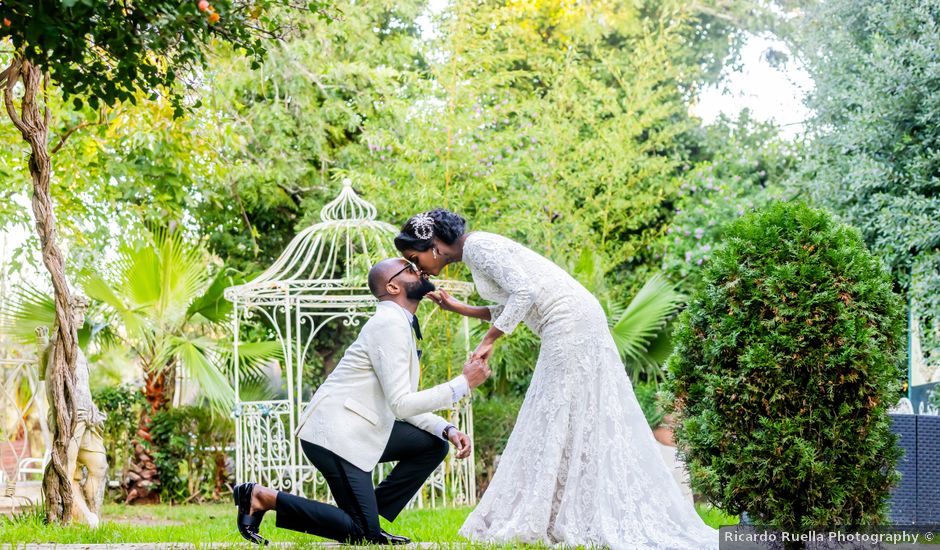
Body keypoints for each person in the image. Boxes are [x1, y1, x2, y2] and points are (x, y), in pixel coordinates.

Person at [395, 209, 719, 550]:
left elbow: (525, 295)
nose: (417, 268)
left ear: (433, 246)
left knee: (551, 409)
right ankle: (562, 510)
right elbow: (516, 303)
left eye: (413, 258)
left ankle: (550, 514)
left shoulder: (479, 248)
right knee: (565, 413)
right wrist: (459, 308)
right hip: (572, 319)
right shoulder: (476, 251)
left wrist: (488, 340)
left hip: (569, 322)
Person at [233, 258, 490, 545]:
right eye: (410, 269)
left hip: (359, 430)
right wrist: (463, 384)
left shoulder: (399, 323)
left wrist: (447, 429)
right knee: (361, 536)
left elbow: (402, 400)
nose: (419, 271)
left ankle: (364, 512)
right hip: (335, 435)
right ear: (392, 286)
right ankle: (262, 497)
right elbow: (402, 405)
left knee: (433, 444)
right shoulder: (389, 323)